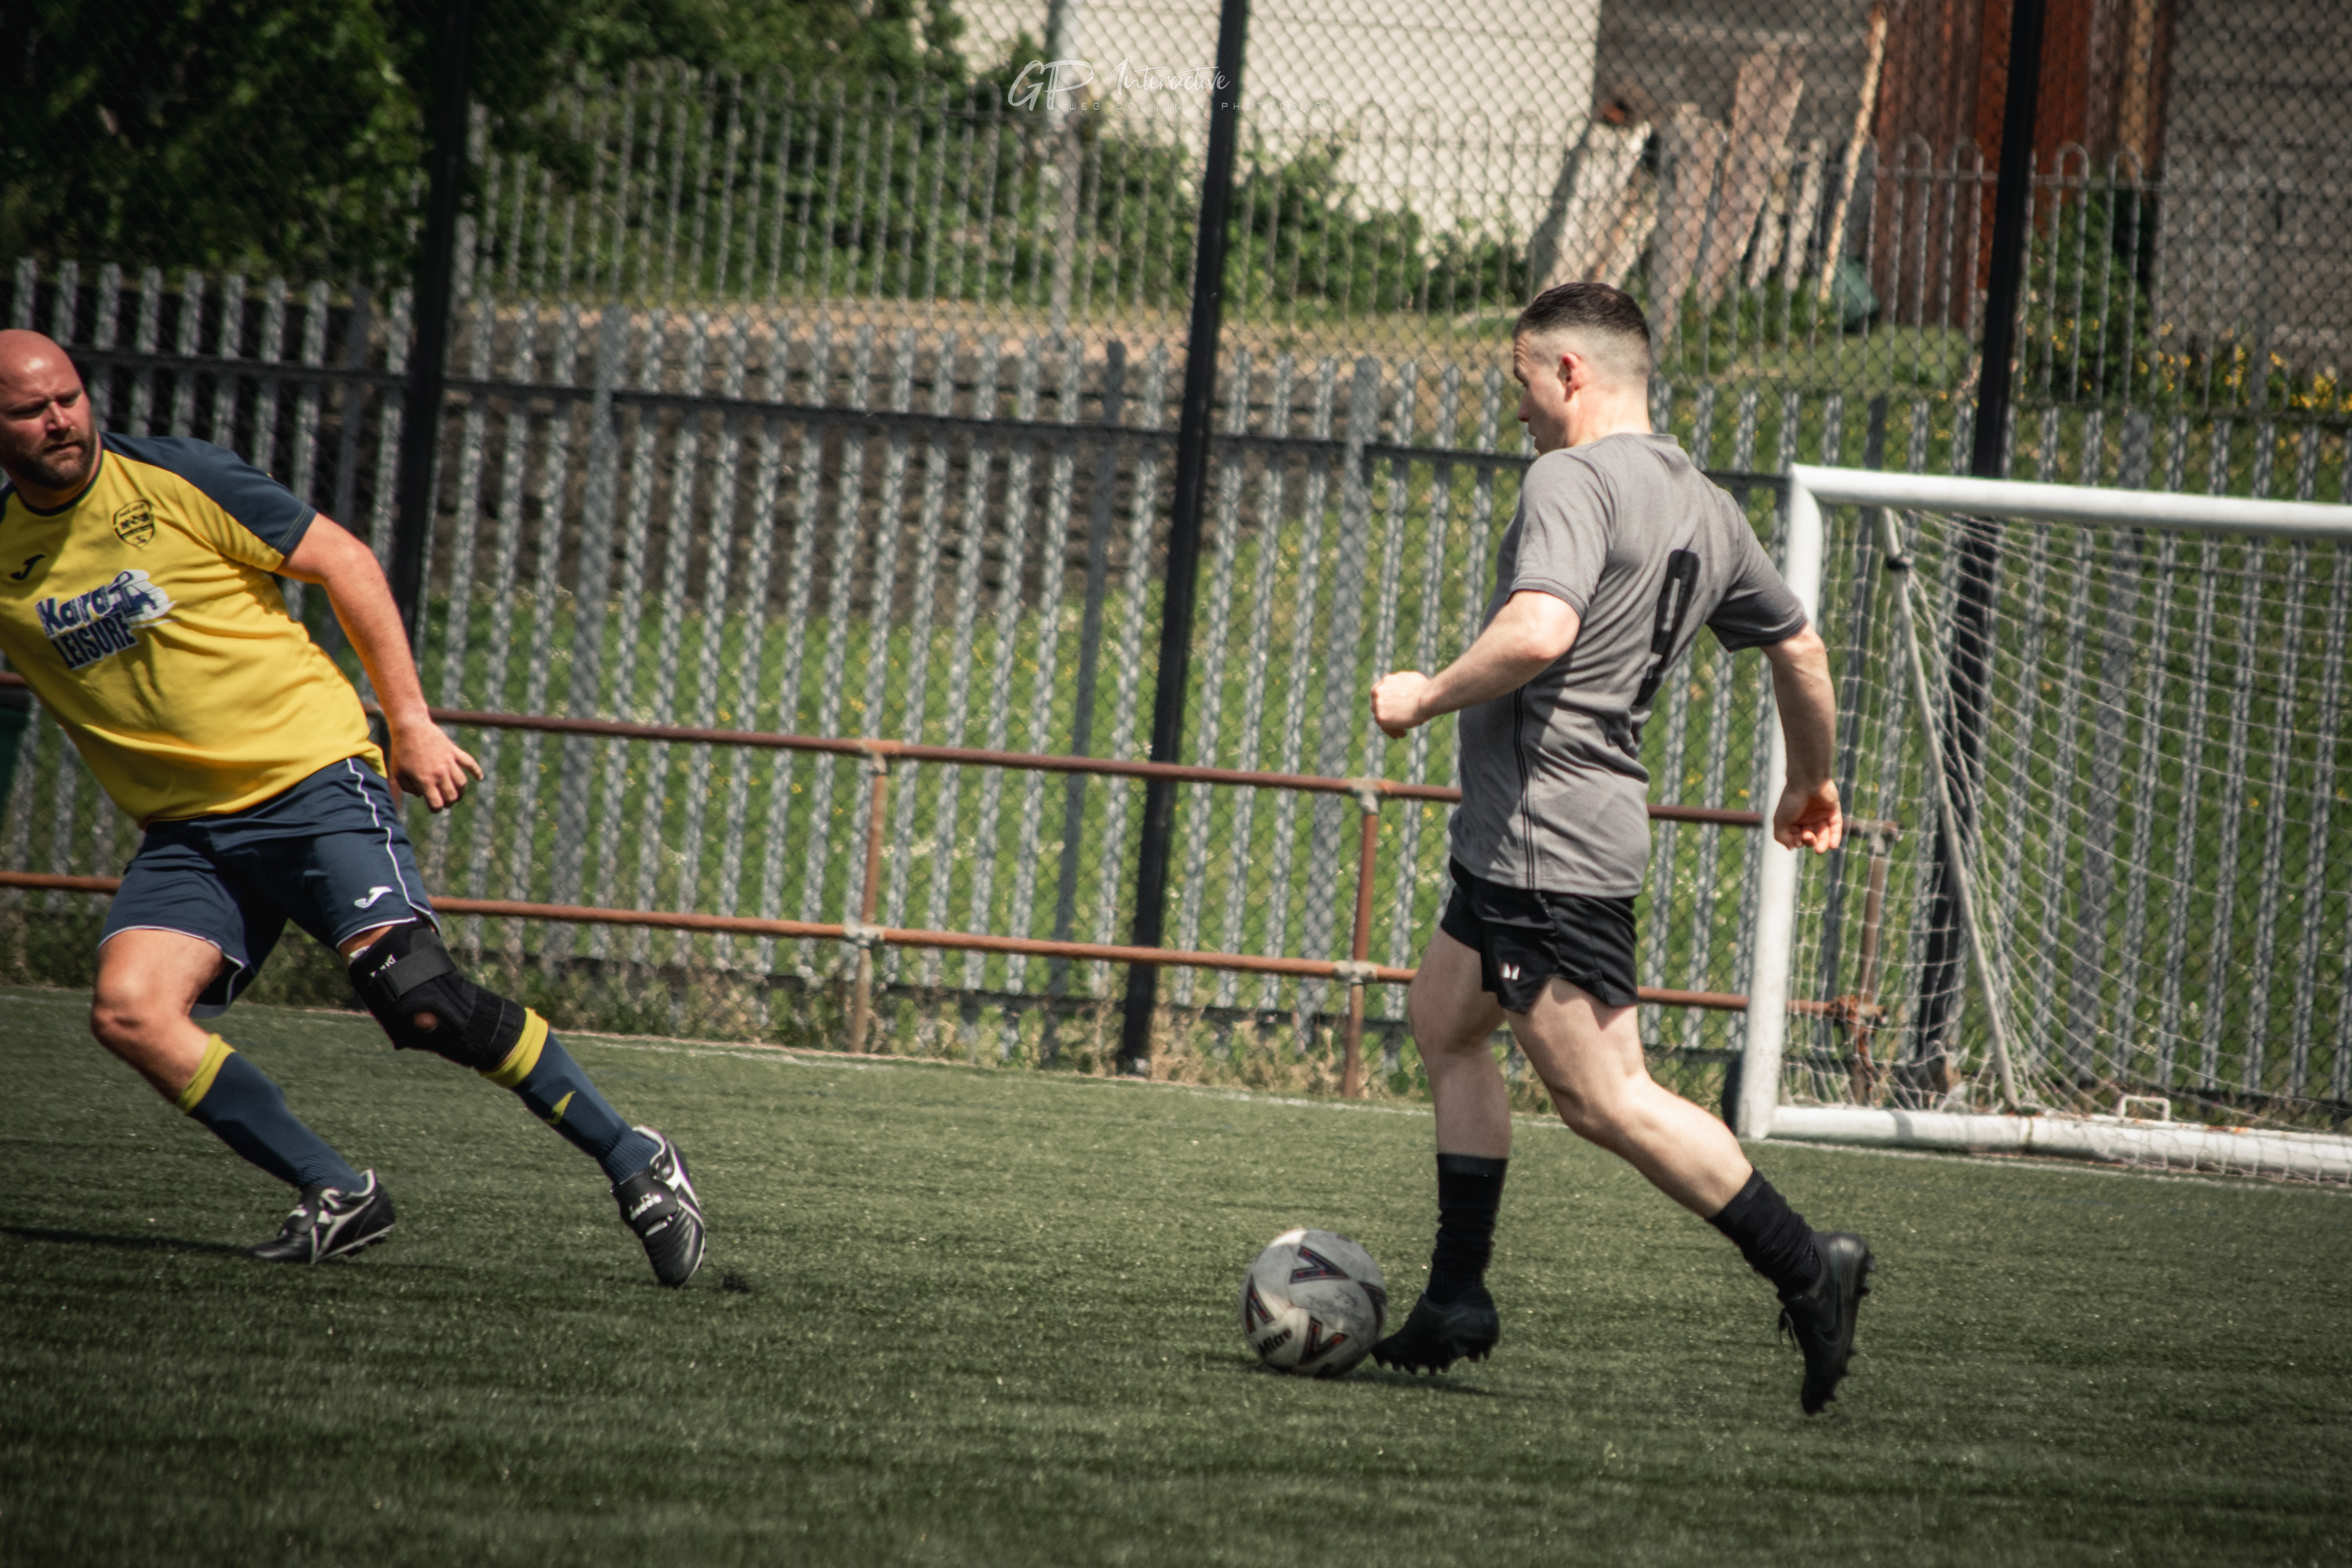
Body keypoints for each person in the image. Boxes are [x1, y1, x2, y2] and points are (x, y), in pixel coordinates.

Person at [0, 328, 706, 1285]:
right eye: (29, 410)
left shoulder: (177, 479)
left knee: (419, 1001)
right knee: (130, 1011)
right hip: (192, 836)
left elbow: (347, 562)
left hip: (313, 780)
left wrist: (408, 719)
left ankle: (637, 1157)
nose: (59, 421)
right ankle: (338, 1189)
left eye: (69, 398)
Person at [1363, 284, 1867, 1413]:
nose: (1521, 410)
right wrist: (1812, 777)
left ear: (1572, 373)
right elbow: (1802, 647)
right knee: (1446, 1020)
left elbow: (1541, 631)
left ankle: (1807, 1269)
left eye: (1523, 383)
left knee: (1609, 1100)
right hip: (1530, 841)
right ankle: (1456, 1295)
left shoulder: (1570, 478)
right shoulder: (1705, 503)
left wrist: (1425, 698)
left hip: (1549, 842)